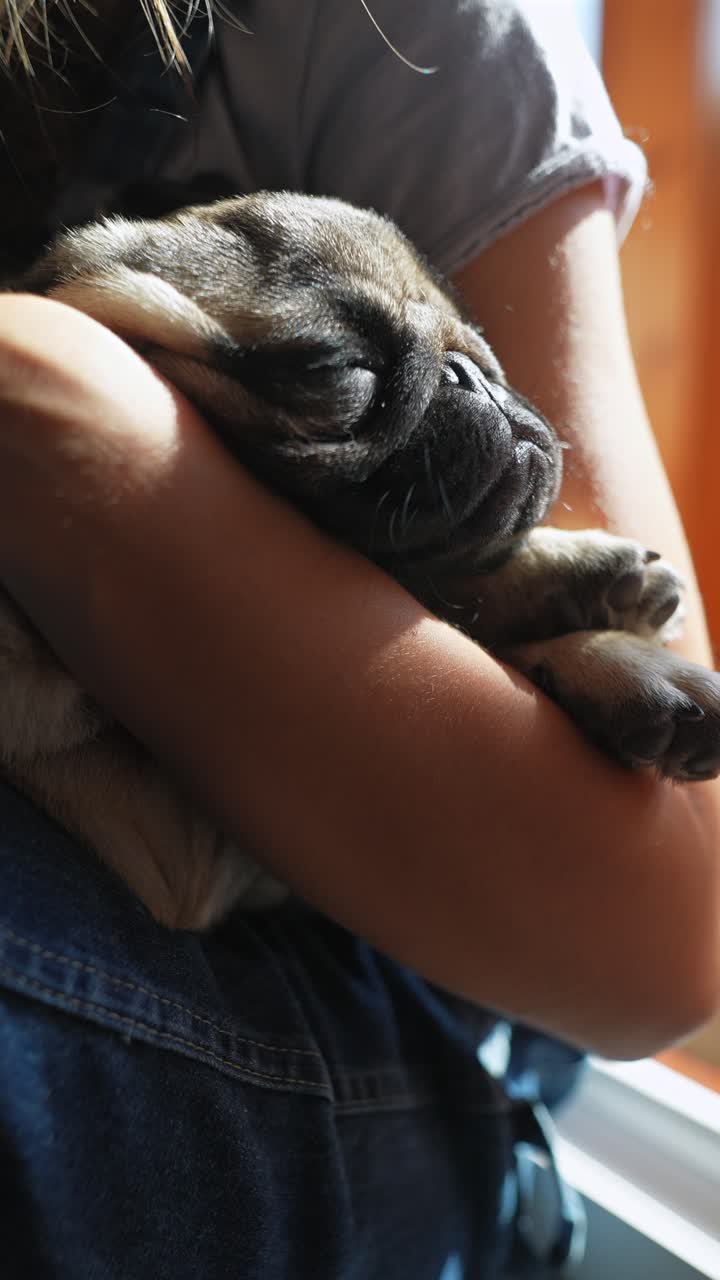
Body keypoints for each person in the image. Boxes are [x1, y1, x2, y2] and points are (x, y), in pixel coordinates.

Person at [1, 3, 719, 1276]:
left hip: (405, 1002)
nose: (475, 413)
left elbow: (668, 935)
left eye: (482, 368)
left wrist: (95, 448)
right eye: (351, 382)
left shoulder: (402, 39)